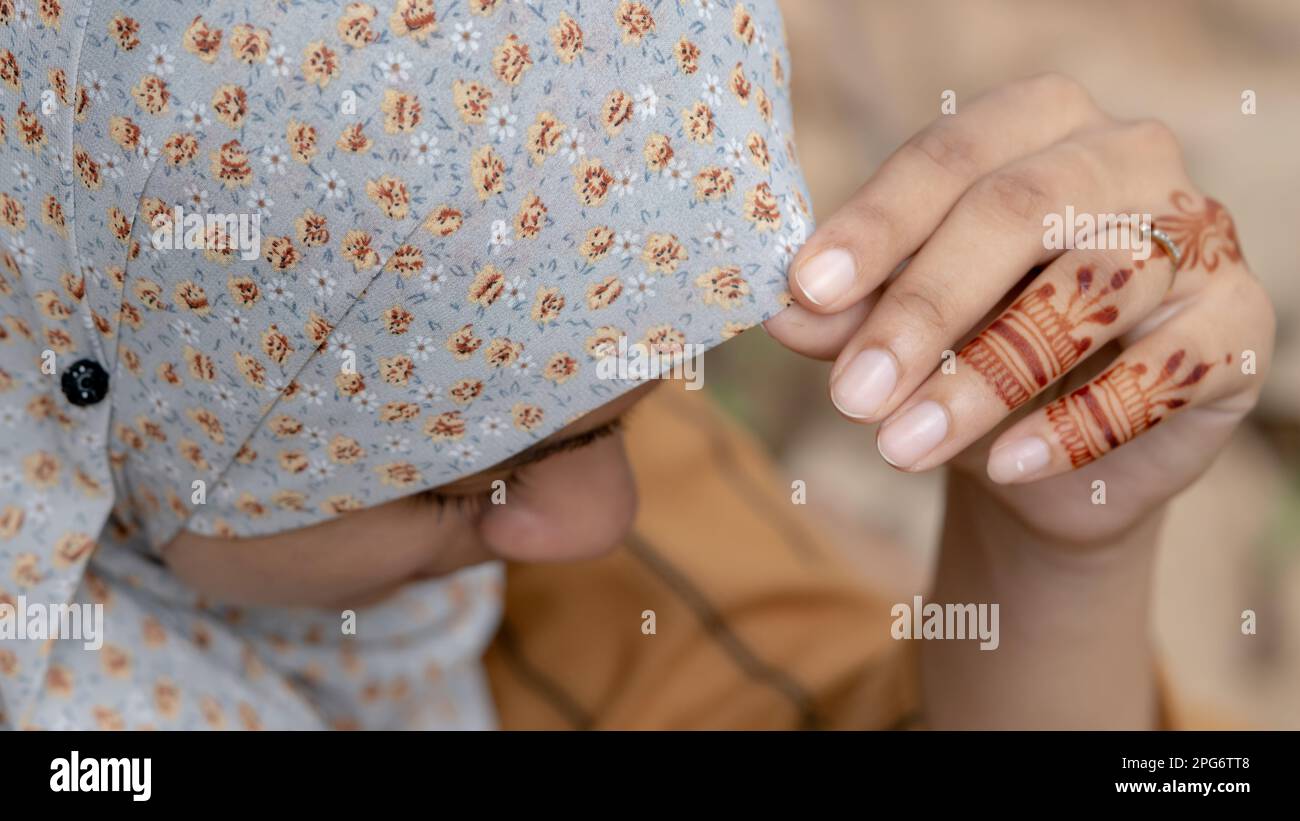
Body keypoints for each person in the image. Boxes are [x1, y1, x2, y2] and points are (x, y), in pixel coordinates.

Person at [0, 0, 1273, 730]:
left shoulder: (494, 385)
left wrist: (1056, 556)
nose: (606, 517)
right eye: (460, 482)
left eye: (658, 383)